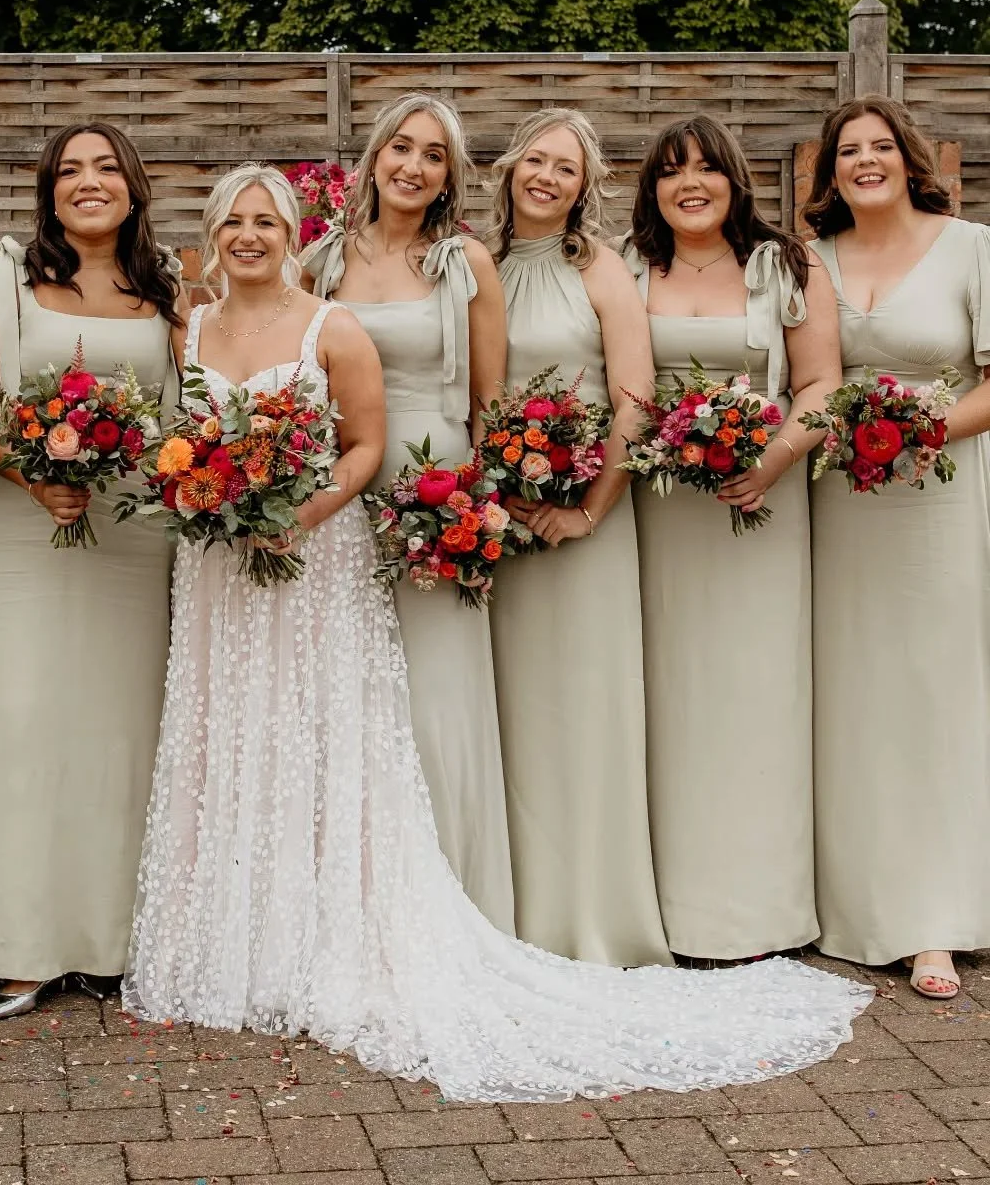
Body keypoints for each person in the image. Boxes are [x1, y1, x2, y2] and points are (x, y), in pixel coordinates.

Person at [124, 159, 870, 1102]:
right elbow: (174, 441)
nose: (250, 236)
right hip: (217, 565)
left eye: (268, 221)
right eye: (235, 221)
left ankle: (347, 932)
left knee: (332, 728)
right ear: (213, 233)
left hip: (314, 547)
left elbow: (370, 437)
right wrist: (206, 495)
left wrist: (295, 511)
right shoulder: (191, 326)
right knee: (232, 732)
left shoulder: (336, 322)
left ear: (291, 231)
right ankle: (238, 936)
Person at [0, 122, 185, 1021]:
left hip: (133, 537)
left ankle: (116, 941)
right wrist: (38, 475)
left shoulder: (165, 292)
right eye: (69, 172)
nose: (89, 183)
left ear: (133, 186)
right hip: (25, 533)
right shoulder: (7, 280)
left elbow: (177, 420)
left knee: (122, 734)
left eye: (107, 168)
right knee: (22, 724)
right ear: (49, 192)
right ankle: (21, 946)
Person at [622, 115, 839, 961]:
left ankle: (762, 912)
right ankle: (678, 912)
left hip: (762, 506)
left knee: (757, 698)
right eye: (673, 170)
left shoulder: (786, 264)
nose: (691, 183)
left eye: (707, 168)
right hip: (664, 510)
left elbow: (822, 381)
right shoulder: (631, 265)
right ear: (653, 187)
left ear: (734, 178)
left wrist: (777, 456)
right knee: (672, 699)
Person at [303, 93, 515, 931]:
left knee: (438, 686)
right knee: (350, 684)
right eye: (401, 147)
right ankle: (357, 905)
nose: (413, 166)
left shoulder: (466, 262)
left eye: (433, 155)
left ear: (448, 178)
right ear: (373, 159)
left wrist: (478, 505)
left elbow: (492, 401)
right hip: (338, 484)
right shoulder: (320, 259)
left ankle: (457, 901)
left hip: (436, 486)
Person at [804, 95, 990, 999]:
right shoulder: (812, 261)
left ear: (910, 160)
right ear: (830, 170)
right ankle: (848, 901)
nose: (865, 161)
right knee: (852, 695)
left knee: (934, 695)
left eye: (881, 147)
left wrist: (920, 434)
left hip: (939, 503)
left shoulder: (972, 247)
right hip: (840, 503)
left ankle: (934, 921)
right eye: (849, 151)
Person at [486, 109, 670, 966]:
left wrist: (586, 507)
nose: (547, 177)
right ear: (512, 165)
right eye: (537, 160)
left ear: (584, 186)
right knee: (509, 719)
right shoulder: (472, 260)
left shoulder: (600, 269)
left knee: (583, 713)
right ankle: (509, 917)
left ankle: (591, 919)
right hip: (494, 530)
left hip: (584, 527)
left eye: (566, 168)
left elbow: (637, 397)